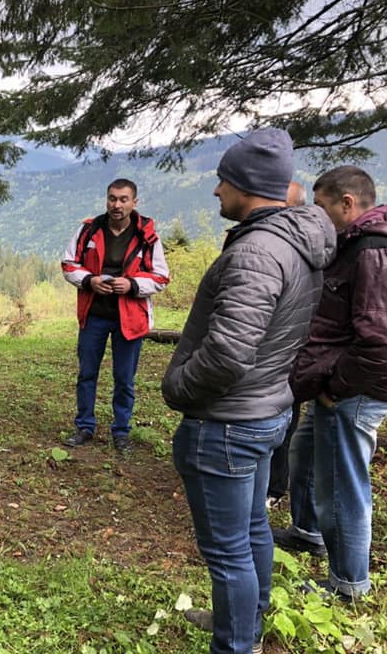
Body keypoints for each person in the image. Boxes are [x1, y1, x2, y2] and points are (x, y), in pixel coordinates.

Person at [161, 129, 336, 654]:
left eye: (224, 180)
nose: (216, 191)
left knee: (227, 549)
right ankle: (247, 621)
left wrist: (179, 388)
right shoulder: (294, 240)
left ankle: (236, 644)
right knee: (253, 527)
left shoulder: (258, 250)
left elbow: (229, 352)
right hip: (266, 409)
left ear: (247, 185)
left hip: (228, 422)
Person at [274, 166, 387, 600]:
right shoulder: (366, 243)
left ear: (347, 204)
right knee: (305, 448)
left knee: (341, 483)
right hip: (347, 380)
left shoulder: (374, 251)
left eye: (323, 207)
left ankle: (346, 584)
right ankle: (307, 530)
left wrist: (336, 387)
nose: (318, 215)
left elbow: (381, 340)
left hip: (357, 388)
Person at [61, 178, 170, 451]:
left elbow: (161, 277)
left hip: (130, 317)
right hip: (94, 314)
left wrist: (132, 285)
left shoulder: (147, 236)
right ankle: (84, 427)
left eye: (123, 199)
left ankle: (121, 432)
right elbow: (68, 264)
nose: (117, 205)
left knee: (124, 378)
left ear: (135, 202)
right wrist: (90, 281)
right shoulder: (89, 229)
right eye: (112, 198)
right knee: (87, 374)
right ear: (106, 200)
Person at [265, 180, 308, 508]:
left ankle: (274, 488)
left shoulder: (306, 248)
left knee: (284, 418)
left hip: (290, 352)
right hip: (268, 349)